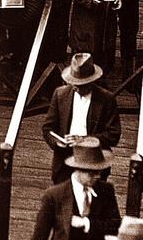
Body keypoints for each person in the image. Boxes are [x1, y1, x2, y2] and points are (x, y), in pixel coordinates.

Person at [42, 54, 121, 183]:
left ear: (91, 81)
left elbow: (114, 134)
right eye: (73, 82)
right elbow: (47, 128)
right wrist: (57, 142)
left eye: (81, 84)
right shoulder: (60, 94)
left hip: (93, 162)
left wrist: (85, 140)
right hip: (64, 161)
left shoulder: (106, 99)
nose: (76, 87)